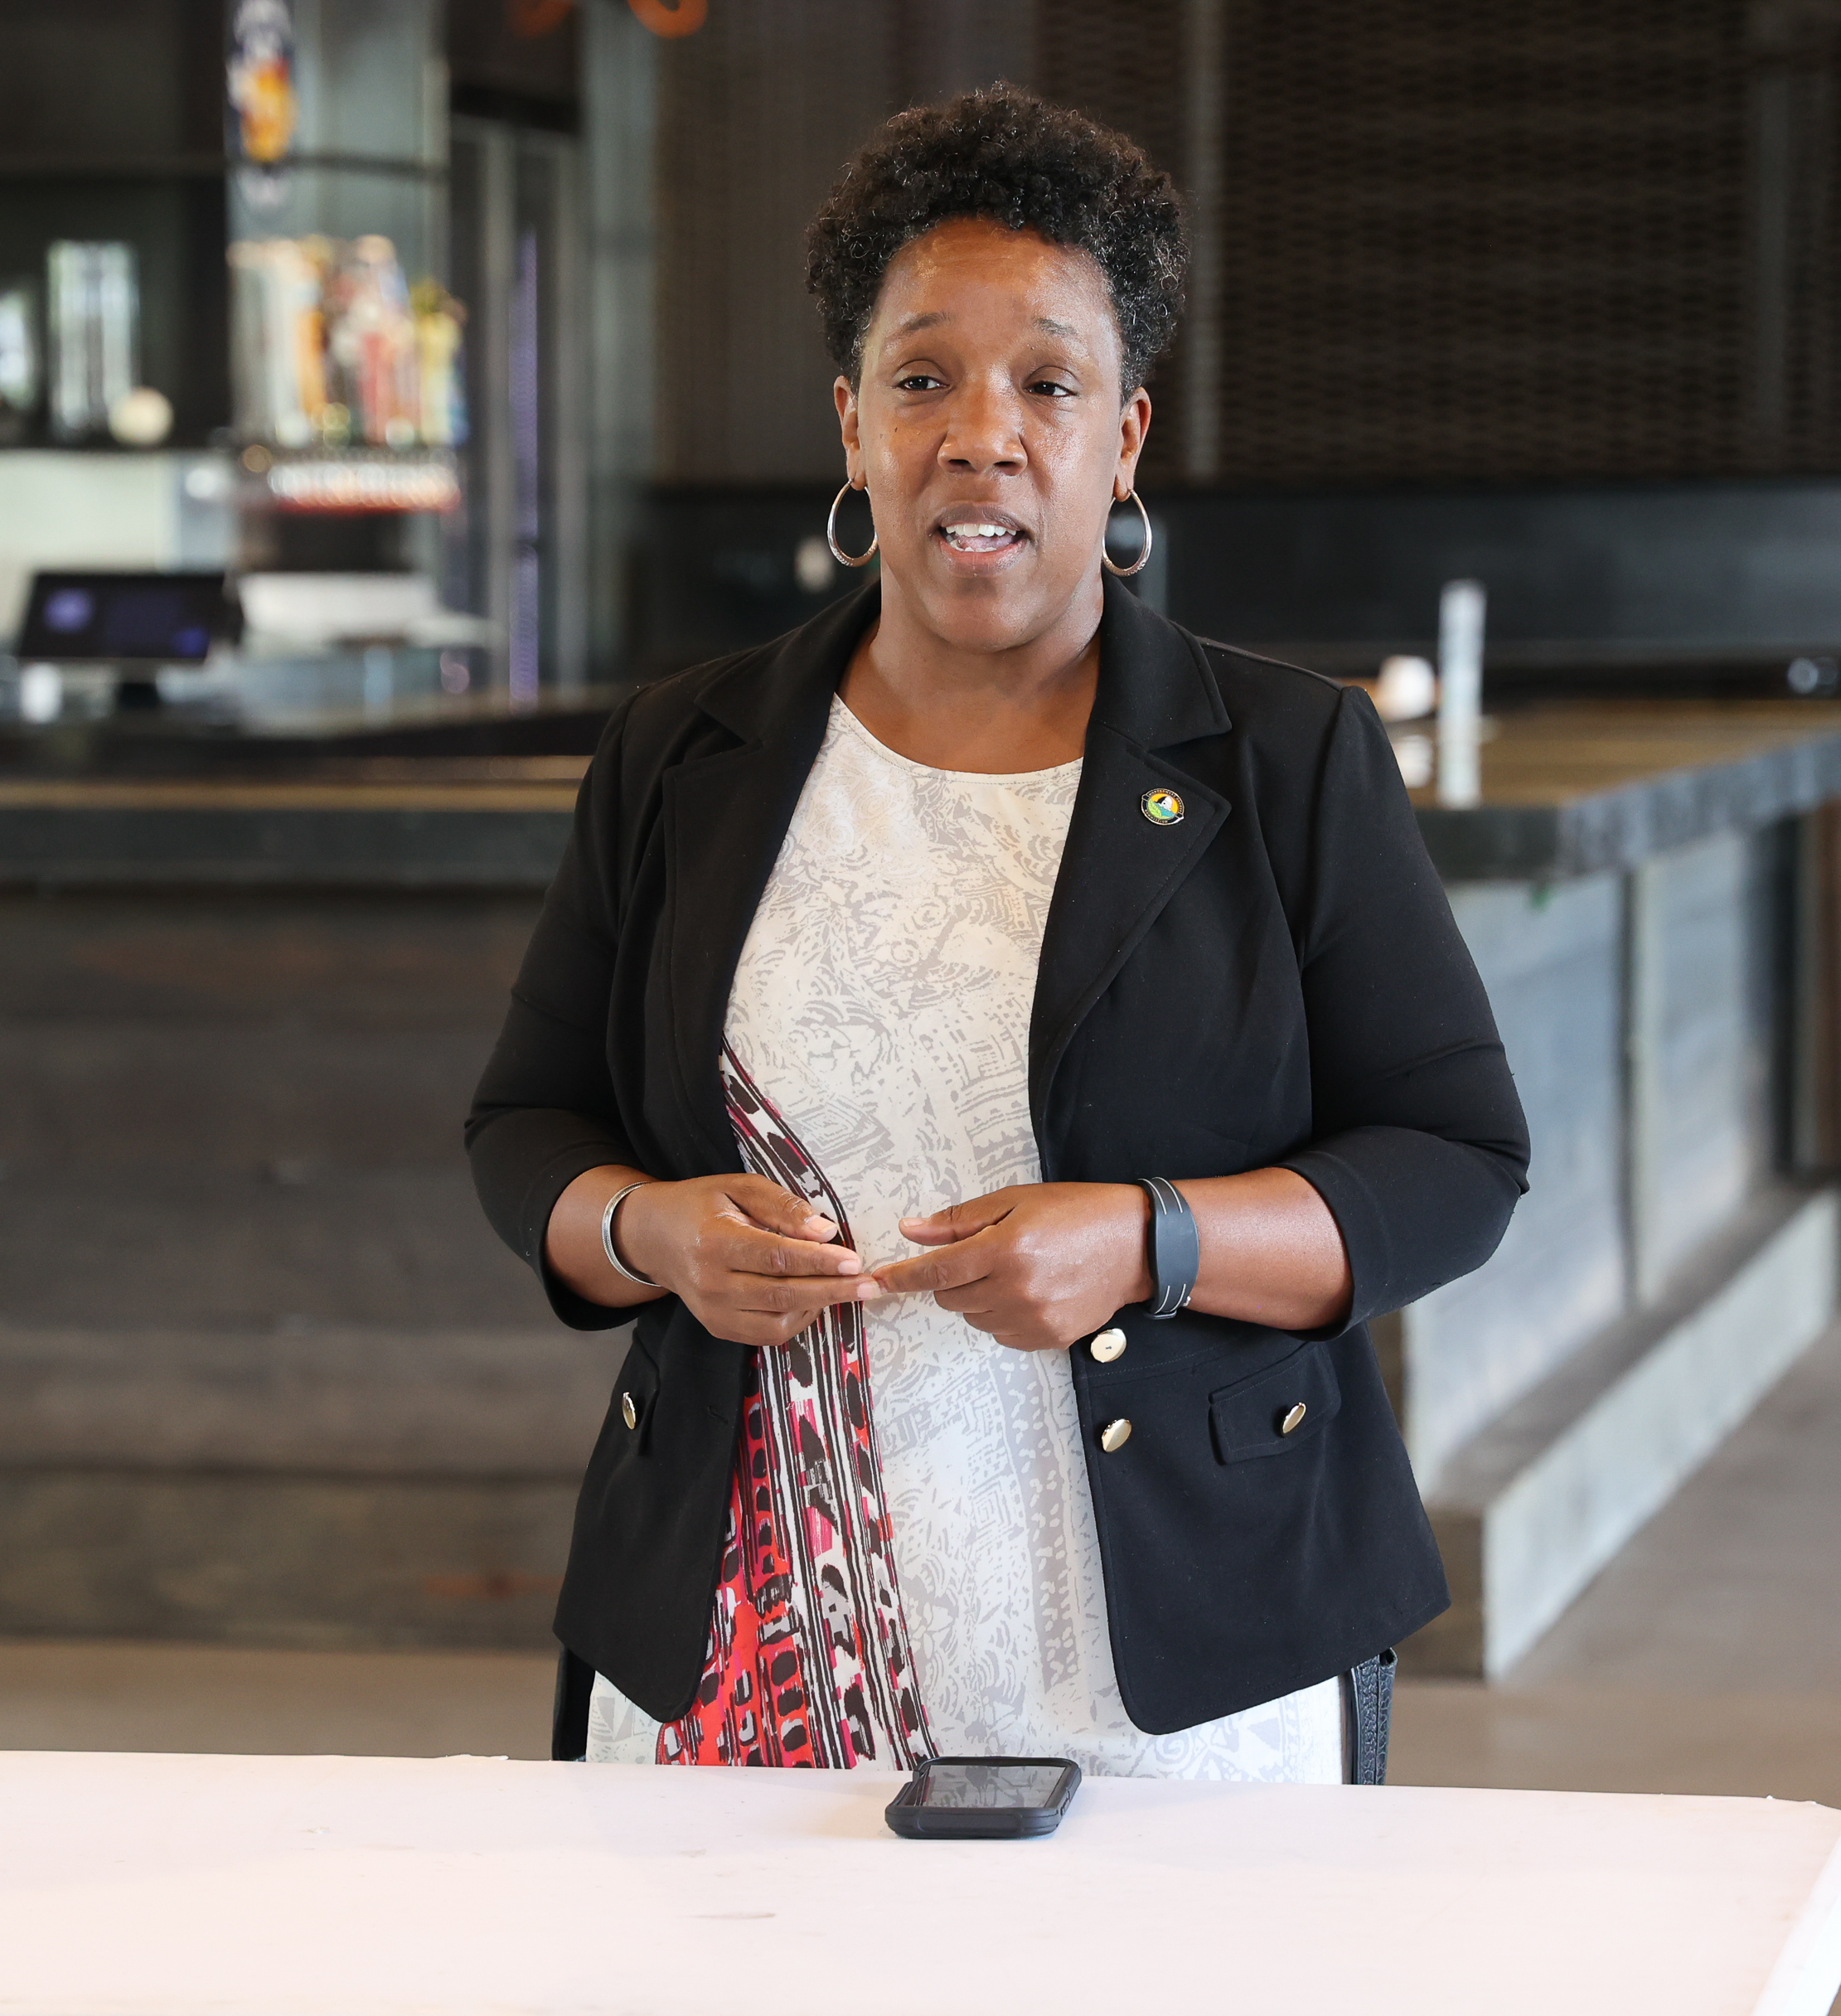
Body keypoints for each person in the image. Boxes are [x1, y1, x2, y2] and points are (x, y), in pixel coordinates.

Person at [467, 85, 1529, 1781]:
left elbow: (1456, 1161)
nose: (981, 431)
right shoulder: (686, 753)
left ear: (1121, 438)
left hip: (1181, 1674)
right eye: (920, 378)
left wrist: (1146, 1240)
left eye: (1046, 379)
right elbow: (525, 1129)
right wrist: (653, 1231)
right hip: (738, 1659)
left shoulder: (1286, 756)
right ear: (851, 424)